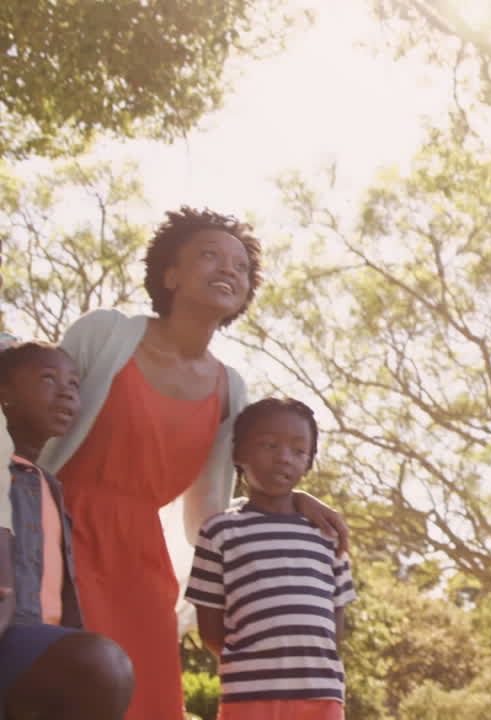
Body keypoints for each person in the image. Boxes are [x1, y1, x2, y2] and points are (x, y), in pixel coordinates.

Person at [37, 207, 350, 720]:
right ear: (170, 274)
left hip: (141, 564)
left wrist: (295, 501)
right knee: (69, 685)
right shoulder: (107, 335)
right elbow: (34, 407)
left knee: (145, 698)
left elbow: (209, 510)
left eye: (241, 267)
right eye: (210, 255)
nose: (229, 270)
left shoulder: (231, 388)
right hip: (58, 535)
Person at [187, 397, 356, 720]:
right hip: (249, 696)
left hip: (321, 695)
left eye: (298, 450)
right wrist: (253, 663)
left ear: (308, 463)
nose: (283, 458)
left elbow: (336, 620)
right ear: (239, 454)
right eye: (269, 445)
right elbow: (210, 629)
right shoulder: (219, 532)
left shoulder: (327, 535)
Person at [0, 340, 135, 719]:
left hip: (42, 643)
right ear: (4, 393)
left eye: (74, 385)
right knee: (101, 664)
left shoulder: (49, 483)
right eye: (48, 379)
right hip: (12, 635)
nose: (66, 392)